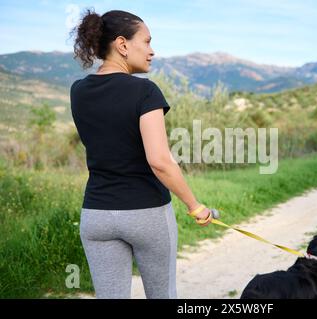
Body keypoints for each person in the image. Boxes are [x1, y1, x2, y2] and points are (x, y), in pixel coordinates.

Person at [70, 9, 212, 299]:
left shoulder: (78, 91)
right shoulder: (144, 92)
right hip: (146, 214)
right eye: (146, 42)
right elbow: (160, 161)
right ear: (122, 45)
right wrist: (194, 205)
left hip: (96, 215)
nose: (152, 51)